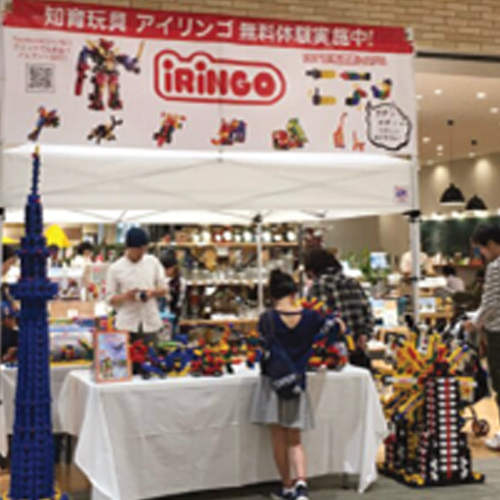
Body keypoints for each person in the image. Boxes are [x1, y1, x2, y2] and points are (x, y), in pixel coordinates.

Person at [250, 269, 344, 500]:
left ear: (272, 294)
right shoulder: (310, 317)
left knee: (278, 437)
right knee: (295, 439)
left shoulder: (267, 319)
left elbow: (262, 347)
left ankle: (287, 486)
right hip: (297, 381)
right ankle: (302, 484)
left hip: (273, 382)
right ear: (294, 292)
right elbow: (337, 328)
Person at [464, 224, 500, 451]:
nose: (481, 255)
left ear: (492, 245)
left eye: (481, 249)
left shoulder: (496, 267)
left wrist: (474, 322)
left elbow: (491, 303)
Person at [106, 228, 166, 346]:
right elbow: (108, 298)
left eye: (144, 249)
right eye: (138, 250)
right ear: (129, 248)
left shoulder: (153, 262)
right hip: (126, 323)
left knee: (152, 355)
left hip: (150, 322)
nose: (141, 253)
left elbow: (164, 289)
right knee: (127, 356)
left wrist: (152, 293)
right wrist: (125, 296)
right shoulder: (115, 268)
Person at [305, 248, 374, 349]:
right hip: (358, 347)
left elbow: (318, 320)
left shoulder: (319, 285)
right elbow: (368, 314)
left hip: (334, 351)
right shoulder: (353, 282)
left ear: (312, 270)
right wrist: (365, 334)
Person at [160, 250, 186, 324]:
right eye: (162, 268)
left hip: (172, 316)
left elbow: (180, 301)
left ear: (174, 267)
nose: (165, 270)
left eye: (167, 268)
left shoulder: (180, 282)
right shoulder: (159, 279)